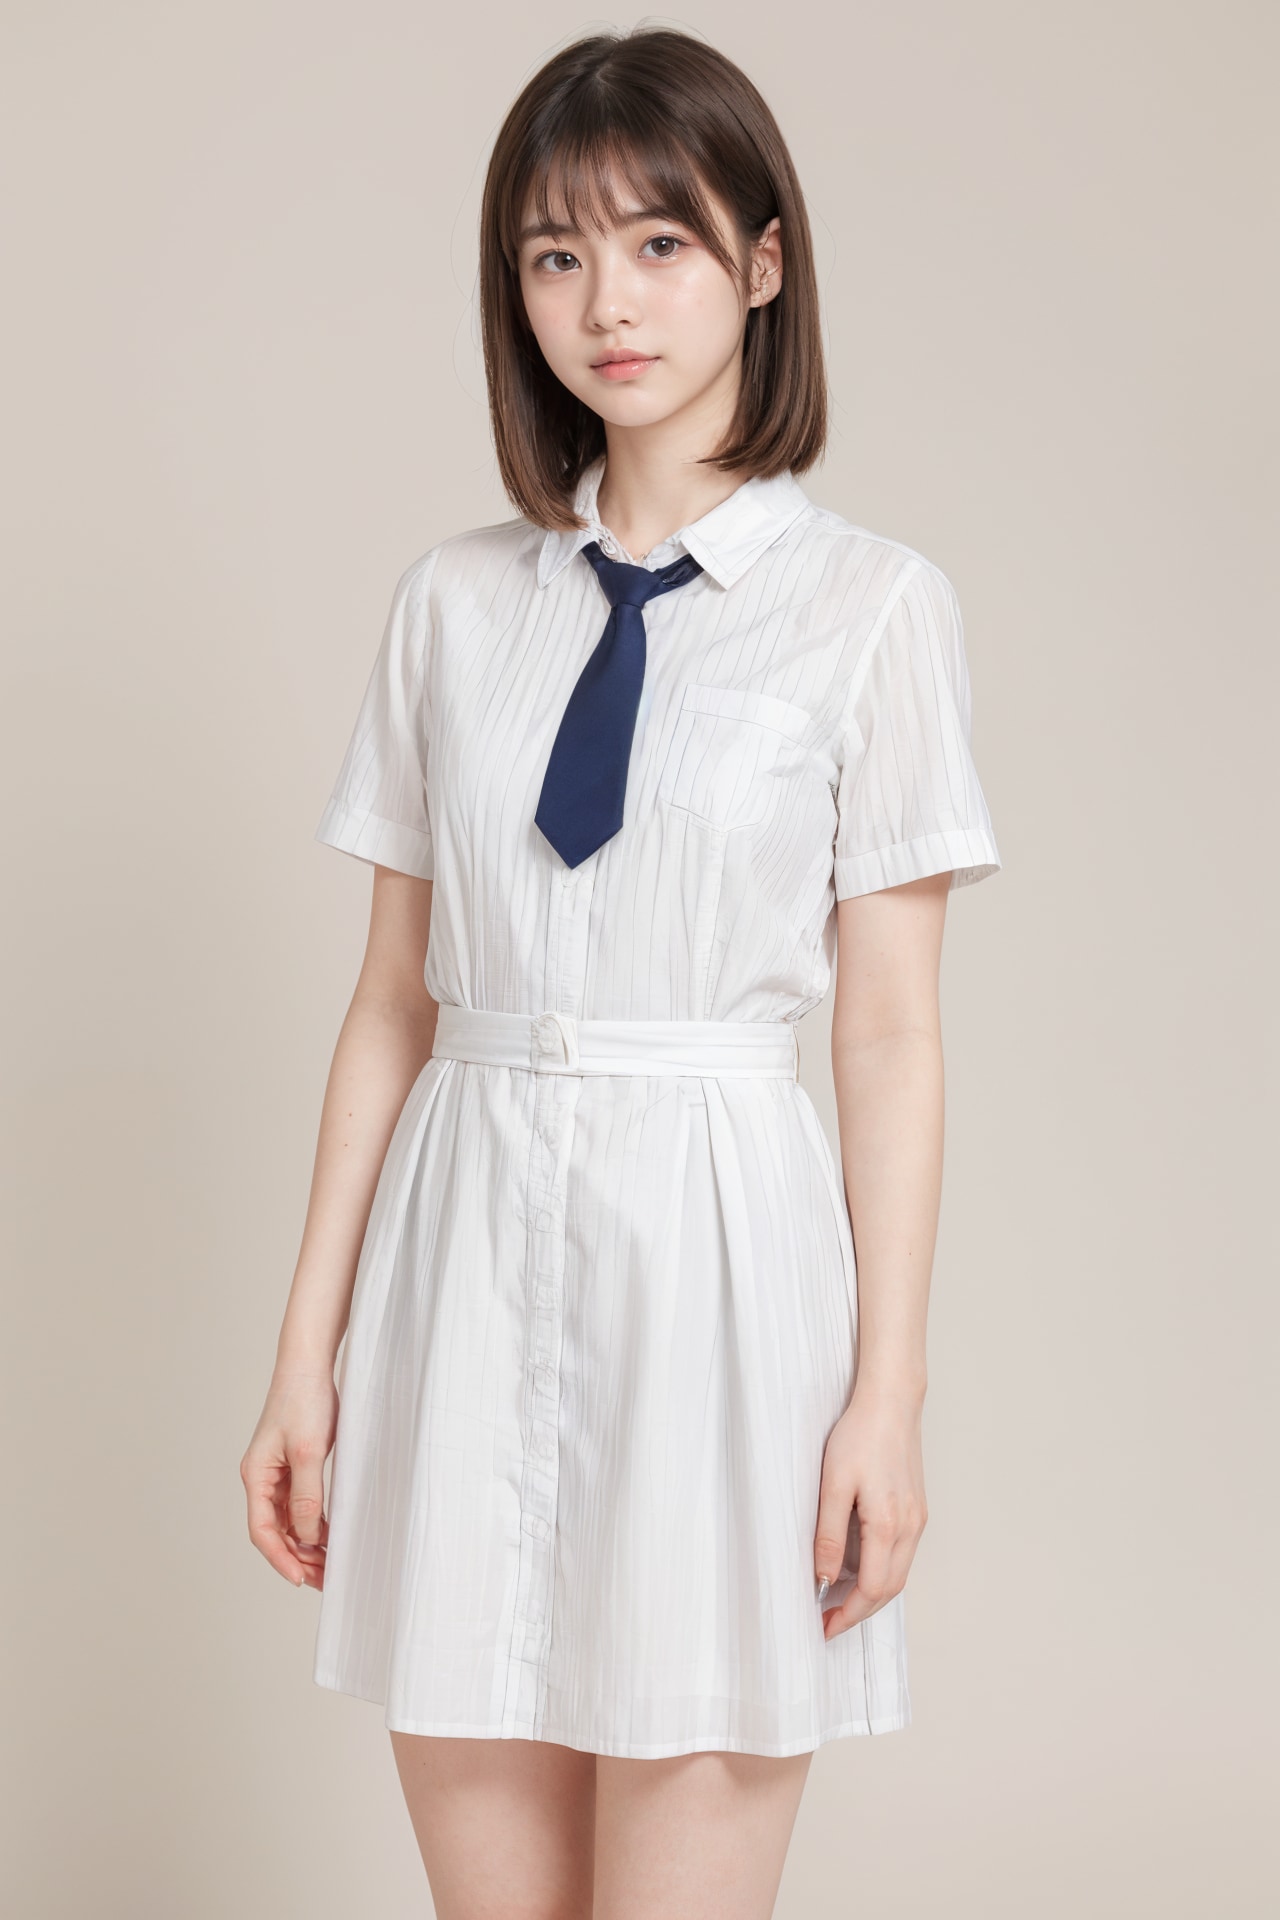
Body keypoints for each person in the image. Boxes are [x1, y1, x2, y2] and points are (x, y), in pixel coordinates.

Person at [241, 24, 1001, 1917]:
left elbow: (890, 1037)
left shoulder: (874, 611)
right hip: (463, 1257)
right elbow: (392, 1003)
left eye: (661, 244)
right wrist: (305, 1355)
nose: (608, 303)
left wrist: (887, 1395)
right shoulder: (453, 604)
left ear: (764, 261)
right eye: (556, 255)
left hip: (720, 1264)